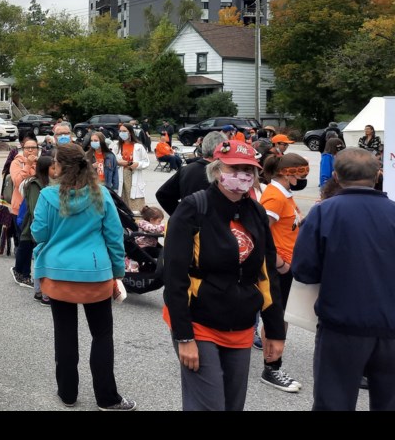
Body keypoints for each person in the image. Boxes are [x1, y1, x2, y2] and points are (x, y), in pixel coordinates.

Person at [162, 140, 285, 411]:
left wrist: (275, 330)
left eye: (249, 170)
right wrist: (184, 337)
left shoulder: (256, 212)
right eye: (236, 168)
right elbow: (174, 276)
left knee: (232, 405)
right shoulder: (193, 208)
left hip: (240, 323)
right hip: (199, 322)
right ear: (217, 170)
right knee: (209, 405)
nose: (243, 175)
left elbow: (267, 275)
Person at [32, 143, 136, 411]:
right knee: (102, 335)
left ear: (59, 167)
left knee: (64, 334)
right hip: (95, 272)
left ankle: (67, 393)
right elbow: (115, 238)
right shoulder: (100, 194)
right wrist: (117, 273)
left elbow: (39, 233)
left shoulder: (47, 196)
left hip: (58, 273)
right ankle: (107, 397)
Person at [292, 148, 395, 410]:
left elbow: (304, 270)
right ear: (378, 174)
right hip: (391, 326)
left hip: (342, 325)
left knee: (334, 401)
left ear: (336, 176)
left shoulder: (323, 212)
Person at [256, 152, 309, 393]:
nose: (305, 178)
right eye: (303, 174)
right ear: (290, 175)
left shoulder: (284, 195)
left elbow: (289, 225)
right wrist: (279, 264)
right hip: (278, 269)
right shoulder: (275, 197)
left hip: (286, 267)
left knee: (281, 318)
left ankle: (272, 362)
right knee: (277, 319)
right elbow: (260, 233)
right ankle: (272, 368)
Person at [155, 131, 226, 215]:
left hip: (188, 223)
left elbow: (163, 195)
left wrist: (181, 215)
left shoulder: (185, 169)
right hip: (212, 224)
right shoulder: (223, 172)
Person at [10, 155, 52, 287]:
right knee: (25, 245)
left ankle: (23, 273)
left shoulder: (47, 182)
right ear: (46, 169)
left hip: (35, 224)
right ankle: (21, 273)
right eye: (53, 167)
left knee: (27, 247)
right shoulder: (34, 183)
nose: (56, 170)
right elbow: (35, 209)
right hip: (31, 223)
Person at [111, 123, 149, 213]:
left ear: (130, 132)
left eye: (124, 131)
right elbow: (111, 161)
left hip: (133, 175)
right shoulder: (117, 146)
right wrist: (118, 162)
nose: (122, 133)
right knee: (122, 198)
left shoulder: (138, 147)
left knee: (135, 202)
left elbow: (146, 162)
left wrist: (138, 164)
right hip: (121, 176)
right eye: (120, 131)